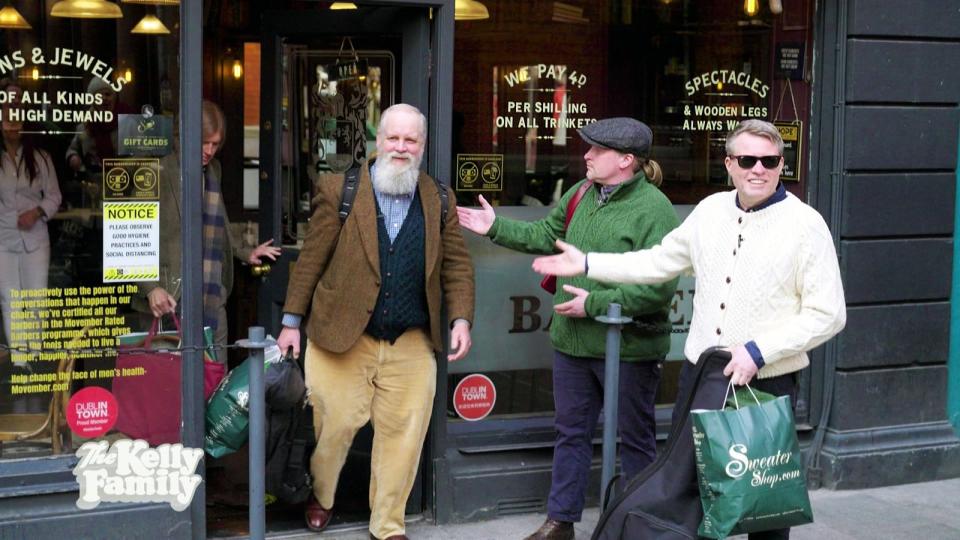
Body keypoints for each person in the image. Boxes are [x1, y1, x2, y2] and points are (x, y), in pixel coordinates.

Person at [532, 119, 847, 540]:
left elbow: (829, 313)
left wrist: (758, 351)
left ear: (781, 165)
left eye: (770, 161)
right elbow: (658, 261)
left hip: (765, 382)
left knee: (764, 504)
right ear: (729, 163)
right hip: (704, 379)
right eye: (748, 159)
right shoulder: (710, 211)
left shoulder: (807, 225)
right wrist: (589, 263)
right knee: (689, 494)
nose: (759, 169)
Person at [458, 117, 679, 540]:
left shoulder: (656, 210)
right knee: (571, 434)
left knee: (635, 442)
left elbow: (658, 291)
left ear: (626, 161)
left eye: (597, 150)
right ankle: (561, 522)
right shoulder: (581, 194)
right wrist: (496, 228)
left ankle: (639, 525)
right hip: (572, 345)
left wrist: (593, 303)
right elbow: (547, 233)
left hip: (628, 350)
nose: (587, 155)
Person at [275, 103, 475, 540]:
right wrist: (291, 321)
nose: (401, 147)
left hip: (411, 338)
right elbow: (311, 259)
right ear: (377, 140)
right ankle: (322, 495)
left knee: (404, 436)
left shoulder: (440, 199)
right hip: (340, 336)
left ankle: (387, 524)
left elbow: (456, 265)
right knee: (334, 425)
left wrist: (460, 318)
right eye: (393, 138)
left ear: (421, 146)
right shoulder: (338, 190)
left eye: (411, 140)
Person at [134, 100, 280, 354]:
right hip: (168, 298)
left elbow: (216, 224)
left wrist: (247, 252)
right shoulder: (157, 170)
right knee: (168, 385)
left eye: (215, 144)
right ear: (187, 135)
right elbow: (130, 236)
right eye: (205, 142)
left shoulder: (214, 170)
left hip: (211, 297)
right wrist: (151, 287)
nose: (210, 150)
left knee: (214, 375)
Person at [0, 80, 62, 362]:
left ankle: (36, 355)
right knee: (10, 299)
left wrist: (36, 212)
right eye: (7, 109)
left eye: (17, 110)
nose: (12, 117)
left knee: (37, 299)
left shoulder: (41, 157)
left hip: (35, 238)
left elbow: (54, 196)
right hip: (3, 238)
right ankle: (19, 359)